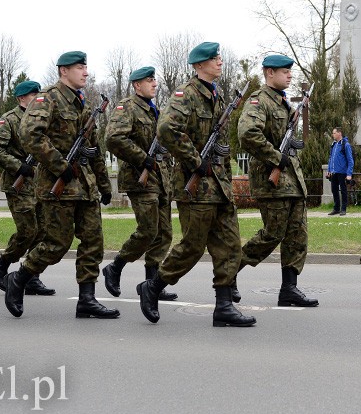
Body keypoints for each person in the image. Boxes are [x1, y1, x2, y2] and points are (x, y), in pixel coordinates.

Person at [138, 41, 256, 327]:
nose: (220, 62)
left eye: (220, 57)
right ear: (200, 65)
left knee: (230, 246)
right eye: (214, 58)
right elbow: (166, 128)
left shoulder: (216, 95)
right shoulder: (186, 94)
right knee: (192, 247)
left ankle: (224, 306)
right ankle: (153, 287)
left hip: (220, 186)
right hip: (197, 187)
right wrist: (194, 160)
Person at [6, 51, 118, 319]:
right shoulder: (48, 98)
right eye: (80, 67)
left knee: (93, 241)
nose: (86, 72)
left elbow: (93, 148)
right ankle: (19, 279)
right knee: (57, 244)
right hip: (58, 185)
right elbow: (29, 134)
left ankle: (87, 299)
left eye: (86, 67)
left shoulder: (82, 103)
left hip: (85, 186)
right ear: (63, 71)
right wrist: (59, 164)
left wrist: (104, 184)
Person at [233, 54, 318, 307]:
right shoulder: (259, 100)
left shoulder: (282, 102)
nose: (289, 75)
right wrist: (275, 156)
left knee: (297, 236)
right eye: (284, 71)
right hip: (272, 182)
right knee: (272, 234)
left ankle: (289, 289)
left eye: (290, 71)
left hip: (292, 180)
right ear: (270, 73)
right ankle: (229, 271)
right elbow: (247, 133)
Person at [101, 66, 177, 301]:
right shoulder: (127, 107)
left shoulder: (155, 110)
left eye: (154, 79)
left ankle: (152, 284)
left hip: (160, 178)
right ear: (137, 85)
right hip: (140, 178)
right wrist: (142, 158)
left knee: (164, 233)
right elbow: (113, 138)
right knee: (148, 230)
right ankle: (115, 266)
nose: (155, 83)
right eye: (149, 80)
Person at [0, 80, 55, 296]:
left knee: (43, 231)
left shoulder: (42, 121)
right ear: (22, 98)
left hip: (40, 183)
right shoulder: (9, 120)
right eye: (33, 95)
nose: (38, 99)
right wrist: (19, 166)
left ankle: (32, 276)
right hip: (19, 184)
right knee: (27, 231)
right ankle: (1, 266)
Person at [327, 127, 354, 216]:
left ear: (339, 133)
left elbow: (350, 160)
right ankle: (336, 208)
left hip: (342, 172)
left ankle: (343, 209)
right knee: (334, 190)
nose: (333, 135)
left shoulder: (346, 145)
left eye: (334, 133)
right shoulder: (334, 144)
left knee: (343, 191)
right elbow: (330, 158)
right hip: (334, 172)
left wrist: (349, 174)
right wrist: (329, 170)